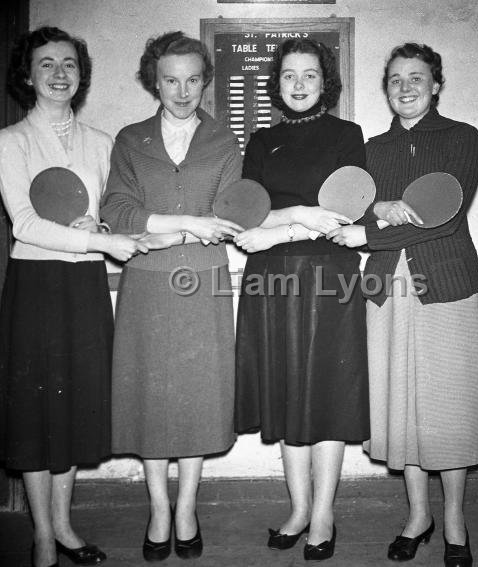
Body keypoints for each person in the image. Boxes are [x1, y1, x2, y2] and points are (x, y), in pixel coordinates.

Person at [328, 43, 478, 567]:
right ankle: (418, 515)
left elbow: (443, 217)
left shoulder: (462, 137)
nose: (405, 87)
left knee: (451, 405)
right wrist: (374, 211)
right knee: (401, 405)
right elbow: (345, 205)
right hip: (385, 290)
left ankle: (455, 521)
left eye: (416, 77)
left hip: (445, 282)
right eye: (396, 78)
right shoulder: (371, 148)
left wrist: (371, 235)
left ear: (436, 84)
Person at [0, 26, 145, 567]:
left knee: (73, 408)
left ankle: (64, 526)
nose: (59, 73)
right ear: (28, 75)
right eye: (47, 64)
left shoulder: (101, 142)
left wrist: (99, 222)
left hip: (84, 286)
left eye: (69, 64)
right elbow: (27, 224)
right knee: (38, 409)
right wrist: (96, 237)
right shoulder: (9, 142)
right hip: (36, 285)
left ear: (80, 75)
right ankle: (41, 535)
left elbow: (111, 211)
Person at [99, 32, 242, 562]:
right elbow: (119, 210)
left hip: (203, 283)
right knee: (151, 403)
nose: (182, 91)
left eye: (192, 80)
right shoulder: (131, 139)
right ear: (153, 82)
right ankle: (159, 508)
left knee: (198, 400)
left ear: (204, 82)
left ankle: (187, 507)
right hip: (146, 282)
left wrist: (174, 229)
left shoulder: (225, 140)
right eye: (170, 80)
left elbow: (228, 215)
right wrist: (186, 225)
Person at [233, 38, 369, 561]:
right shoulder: (261, 140)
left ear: (325, 81)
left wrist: (287, 227)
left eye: (309, 75)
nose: (298, 84)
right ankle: (297, 508)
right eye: (289, 75)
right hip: (270, 279)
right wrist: (292, 222)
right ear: (277, 82)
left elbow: (344, 213)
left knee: (326, 395)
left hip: (327, 275)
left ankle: (323, 513)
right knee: (290, 393)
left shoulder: (346, 135)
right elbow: (246, 211)